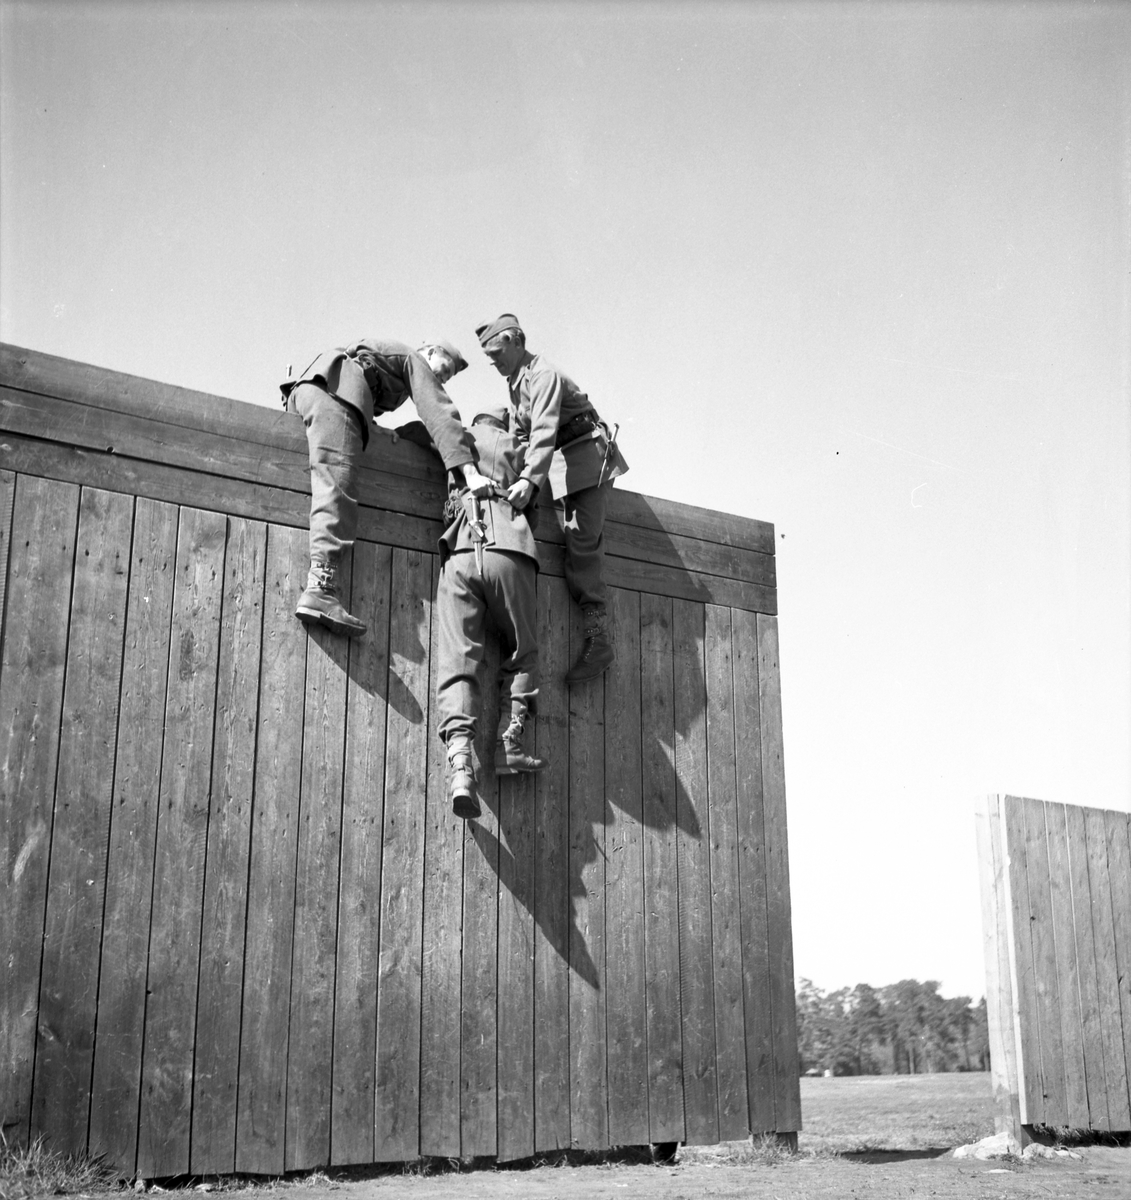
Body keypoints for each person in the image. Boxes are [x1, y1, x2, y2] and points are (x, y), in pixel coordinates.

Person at [280, 337, 492, 637]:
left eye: (446, 378)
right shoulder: (411, 358)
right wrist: (469, 471)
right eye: (442, 371)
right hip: (335, 395)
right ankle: (320, 588)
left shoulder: (387, 365)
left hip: (311, 389)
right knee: (337, 486)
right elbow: (438, 411)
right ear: (429, 351)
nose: (441, 380)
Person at [474, 314, 628, 684]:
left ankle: (599, 640)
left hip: (586, 458)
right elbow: (520, 434)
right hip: (562, 464)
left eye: (497, 352)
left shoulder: (543, 375)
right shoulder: (517, 382)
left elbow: (542, 432)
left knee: (582, 541)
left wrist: (529, 478)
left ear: (516, 341)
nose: (493, 362)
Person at [435, 402, 546, 819]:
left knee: (457, 661)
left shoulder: (457, 436)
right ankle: (509, 743)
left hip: (462, 548)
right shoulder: (520, 446)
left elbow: (419, 430)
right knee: (522, 652)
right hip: (509, 551)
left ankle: (461, 766)